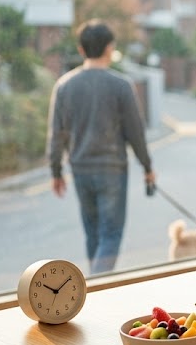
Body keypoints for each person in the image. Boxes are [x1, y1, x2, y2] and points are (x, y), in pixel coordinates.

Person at [47, 19, 155, 275]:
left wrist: (55, 171)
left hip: (81, 170)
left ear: (82, 50)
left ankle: (95, 285)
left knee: (93, 233)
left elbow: (57, 134)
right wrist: (147, 167)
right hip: (112, 170)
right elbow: (135, 133)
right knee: (111, 234)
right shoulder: (121, 85)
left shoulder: (64, 86)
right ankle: (96, 284)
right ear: (110, 48)